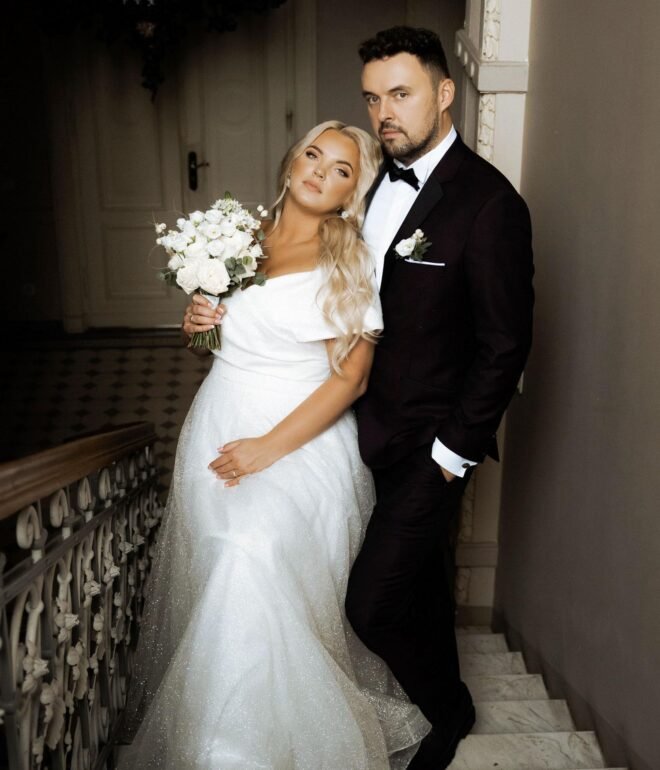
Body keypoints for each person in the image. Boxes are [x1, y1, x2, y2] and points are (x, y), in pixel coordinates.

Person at [119, 121, 431, 769]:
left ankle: (234, 755)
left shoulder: (349, 258)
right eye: (313, 154)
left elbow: (351, 379)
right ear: (292, 160)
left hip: (302, 443)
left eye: (341, 168)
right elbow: (218, 342)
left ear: (352, 192)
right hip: (217, 424)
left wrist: (267, 448)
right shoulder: (237, 238)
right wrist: (196, 324)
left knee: (250, 561)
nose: (320, 171)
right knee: (218, 579)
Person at [344, 27, 535, 770]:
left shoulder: (489, 205)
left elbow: (504, 346)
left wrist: (450, 456)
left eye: (400, 93)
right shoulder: (367, 182)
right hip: (362, 431)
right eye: (372, 98)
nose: (383, 112)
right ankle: (444, 702)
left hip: (431, 444)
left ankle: (448, 711)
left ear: (444, 93)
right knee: (419, 586)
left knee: (370, 603)